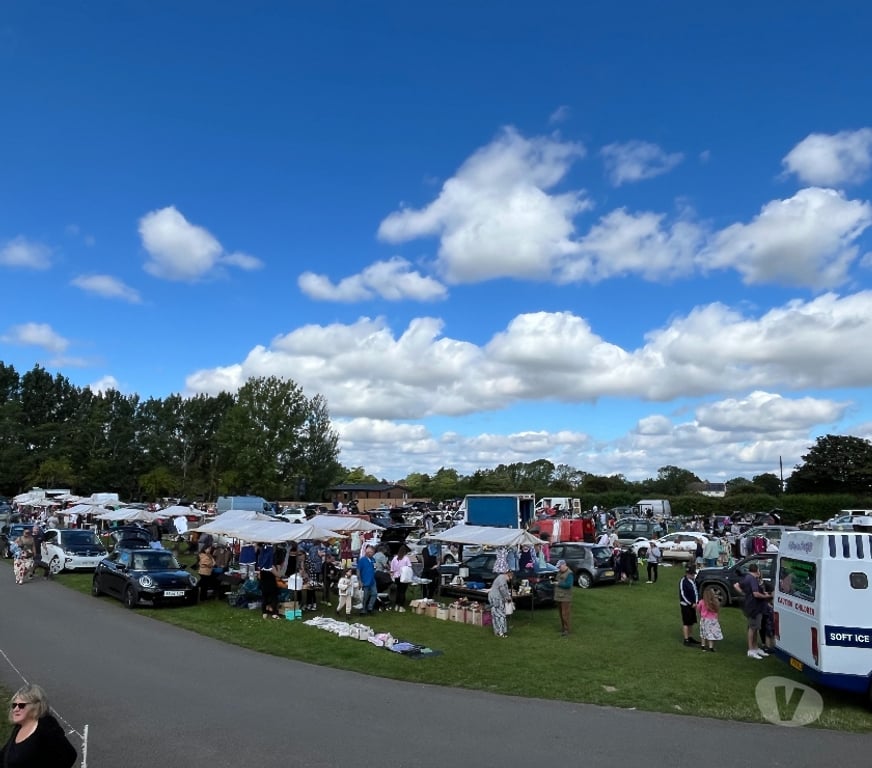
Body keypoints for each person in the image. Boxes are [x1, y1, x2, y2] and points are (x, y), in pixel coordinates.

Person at [0, 683, 77, 767]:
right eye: (14, 705)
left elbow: (70, 755)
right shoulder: (19, 727)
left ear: (36, 706)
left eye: (21, 705)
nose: (16, 709)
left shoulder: (46, 727)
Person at [734, 563, 771, 659]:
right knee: (752, 628)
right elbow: (755, 594)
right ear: (757, 570)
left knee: (755, 627)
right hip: (754, 607)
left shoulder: (747, 577)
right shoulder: (752, 579)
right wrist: (766, 596)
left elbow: (736, 585)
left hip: (754, 606)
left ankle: (755, 648)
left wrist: (744, 593)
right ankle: (751, 649)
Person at [487, 568, 513, 638]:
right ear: (508, 575)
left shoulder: (500, 577)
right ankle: (501, 632)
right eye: (510, 577)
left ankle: (497, 631)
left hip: (494, 597)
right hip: (497, 598)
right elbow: (502, 589)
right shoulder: (502, 578)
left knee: (495, 615)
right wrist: (508, 597)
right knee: (500, 615)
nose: (510, 580)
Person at [697, 587, 724, 652]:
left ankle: (703, 646)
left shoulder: (701, 602)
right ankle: (711, 647)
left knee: (703, 633)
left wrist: (701, 613)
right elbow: (717, 611)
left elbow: (698, 609)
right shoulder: (715, 603)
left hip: (704, 620)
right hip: (713, 620)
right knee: (711, 633)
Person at [679, 565, 700, 646]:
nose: (693, 576)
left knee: (691, 622)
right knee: (686, 622)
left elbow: (695, 592)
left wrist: (697, 602)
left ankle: (690, 637)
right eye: (691, 574)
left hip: (693, 605)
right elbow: (683, 594)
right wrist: (691, 603)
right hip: (686, 605)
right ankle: (686, 639)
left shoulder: (693, 581)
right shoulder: (683, 581)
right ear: (687, 573)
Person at [390, 545, 413, 612]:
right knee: (403, 592)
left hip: (396, 577)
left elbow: (392, 569)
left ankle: (397, 605)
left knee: (398, 591)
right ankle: (401, 606)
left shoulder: (394, 558)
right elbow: (409, 567)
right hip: (404, 577)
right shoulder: (406, 558)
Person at [554, 559, 573, 636]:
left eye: (560, 567)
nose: (559, 568)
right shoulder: (559, 572)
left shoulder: (569, 574)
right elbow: (557, 580)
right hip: (559, 596)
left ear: (564, 565)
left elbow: (568, 585)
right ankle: (563, 628)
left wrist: (558, 583)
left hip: (566, 597)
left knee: (565, 614)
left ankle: (567, 629)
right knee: (561, 614)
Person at [357, 545, 377, 615]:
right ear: (367, 552)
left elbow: (375, 568)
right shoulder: (362, 560)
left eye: (372, 552)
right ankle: (363, 609)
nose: (371, 553)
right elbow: (358, 570)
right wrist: (360, 581)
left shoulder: (373, 560)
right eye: (370, 552)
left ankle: (370, 607)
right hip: (365, 581)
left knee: (374, 594)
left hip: (372, 581)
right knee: (364, 596)